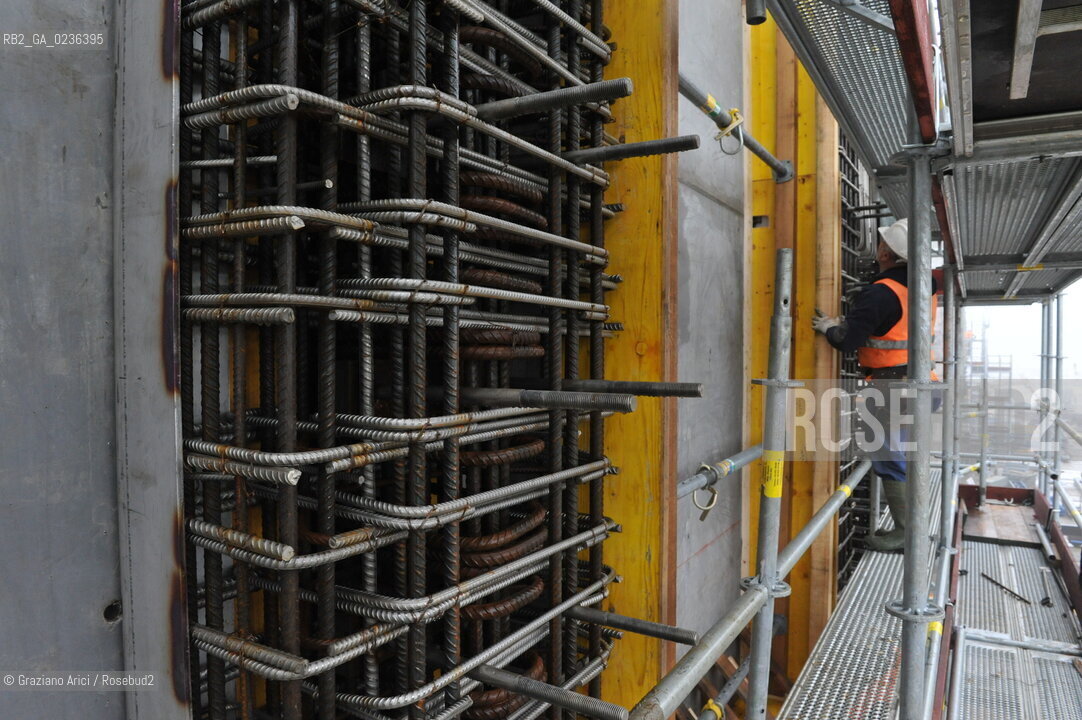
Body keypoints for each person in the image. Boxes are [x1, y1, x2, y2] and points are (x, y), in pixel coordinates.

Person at [811, 218, 940, 552]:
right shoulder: (925, 288)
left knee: (889, 458)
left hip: (894, 389)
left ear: (885, 252)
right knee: (902, 458)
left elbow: (848, 342)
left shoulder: (882, 292)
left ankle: (907, 534)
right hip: (926, 386)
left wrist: (829, 328)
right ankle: (912, 528)